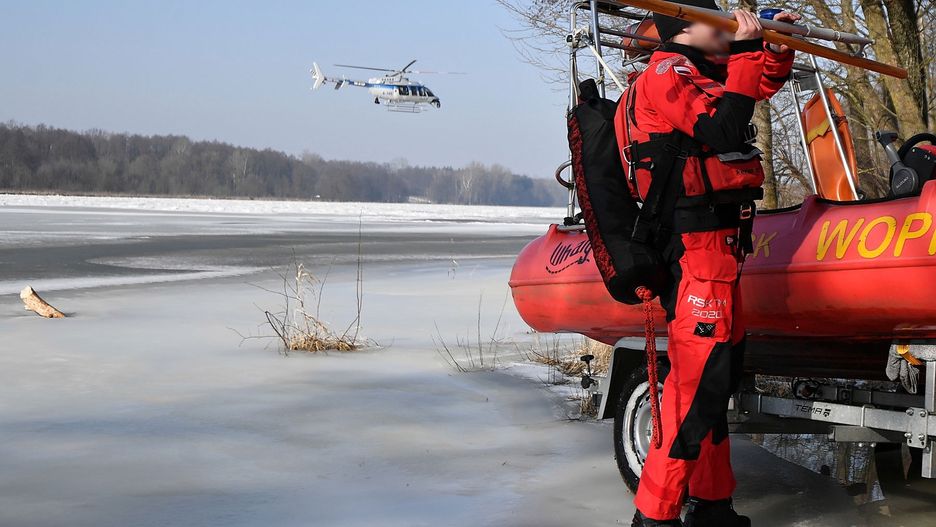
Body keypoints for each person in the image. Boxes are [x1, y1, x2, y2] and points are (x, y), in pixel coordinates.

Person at [614, 2, 798, 526]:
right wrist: (744, 50)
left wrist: (774, 50)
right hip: (694, 252)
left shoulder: (699, 73)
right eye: (716, 27)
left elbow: (750, 89)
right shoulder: (666, 74)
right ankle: (656, 514)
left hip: (719, 252)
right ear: (686, 31)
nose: (726, 37)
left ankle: (713, 505)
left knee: (718, 383)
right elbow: (721, 127)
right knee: (694, 389)